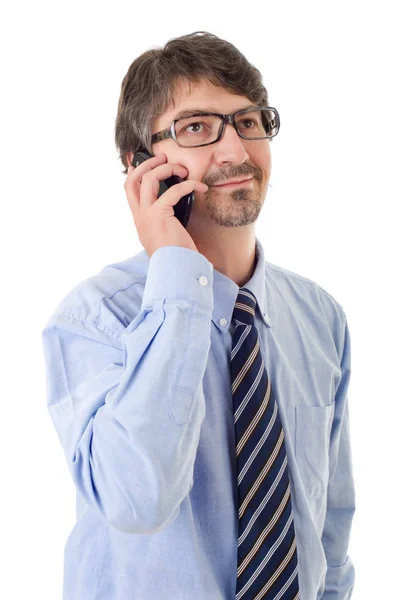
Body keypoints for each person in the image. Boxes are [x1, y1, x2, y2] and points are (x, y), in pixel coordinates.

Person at [41, 31, 356, 600]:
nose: (235, 151)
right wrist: (179, 287)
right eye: (196, 128)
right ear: (140, 165)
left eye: (249, 121)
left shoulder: (319, 317)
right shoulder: (95, 318)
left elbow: (330, 529)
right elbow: (138, 499)